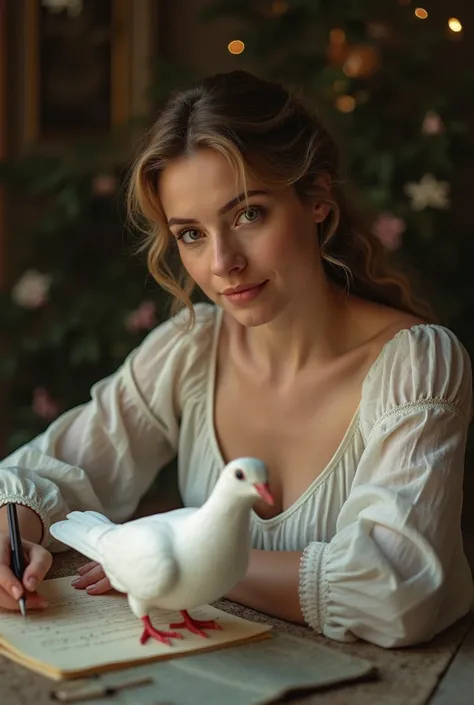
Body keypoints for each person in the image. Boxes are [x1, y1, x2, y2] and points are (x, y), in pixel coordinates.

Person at [0, 70, 472, 648]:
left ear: (317, 199)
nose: (223, 262)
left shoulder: (417, 366)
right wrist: (12, 530)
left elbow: (397, 594)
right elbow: (53, 468)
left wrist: (177, 564)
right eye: (192, 234)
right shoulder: (192, 347)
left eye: (248, 214)